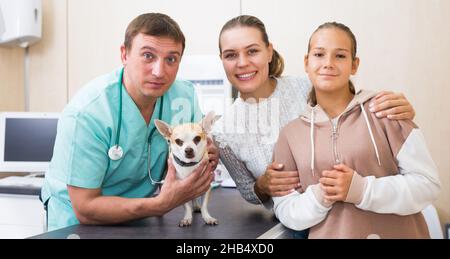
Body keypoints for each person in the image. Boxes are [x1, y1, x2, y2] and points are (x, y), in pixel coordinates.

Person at [212, 15, 416, 238]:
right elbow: (248, 192)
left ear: (269, 51)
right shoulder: (222, 132)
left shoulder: (309, 84)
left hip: (359, 211)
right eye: (231, 55)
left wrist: (394, 109)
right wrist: (262, 186)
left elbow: (359, 115)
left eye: (252, 51)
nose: (242, 63)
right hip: (296, 223)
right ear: (221, 59)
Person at [41, 13, 219, 231]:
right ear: (124, 54)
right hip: (77, 223)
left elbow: (189, 155)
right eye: (147, 56)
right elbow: (86, 207)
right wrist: (160, 205)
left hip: (140, 216)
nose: (159, 71)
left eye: (171, 59)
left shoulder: (184, 96)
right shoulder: (87, 113)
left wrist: (206, 154)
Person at [272, 22, 441, 238]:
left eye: (340, 56)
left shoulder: (386, 111)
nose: (328, 63)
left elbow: (428, 185)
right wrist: (320, 196)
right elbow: (285, 209)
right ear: (307, 62)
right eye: (319, 54)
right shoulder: (290, 134)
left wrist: (362, 190)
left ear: (354, 64)